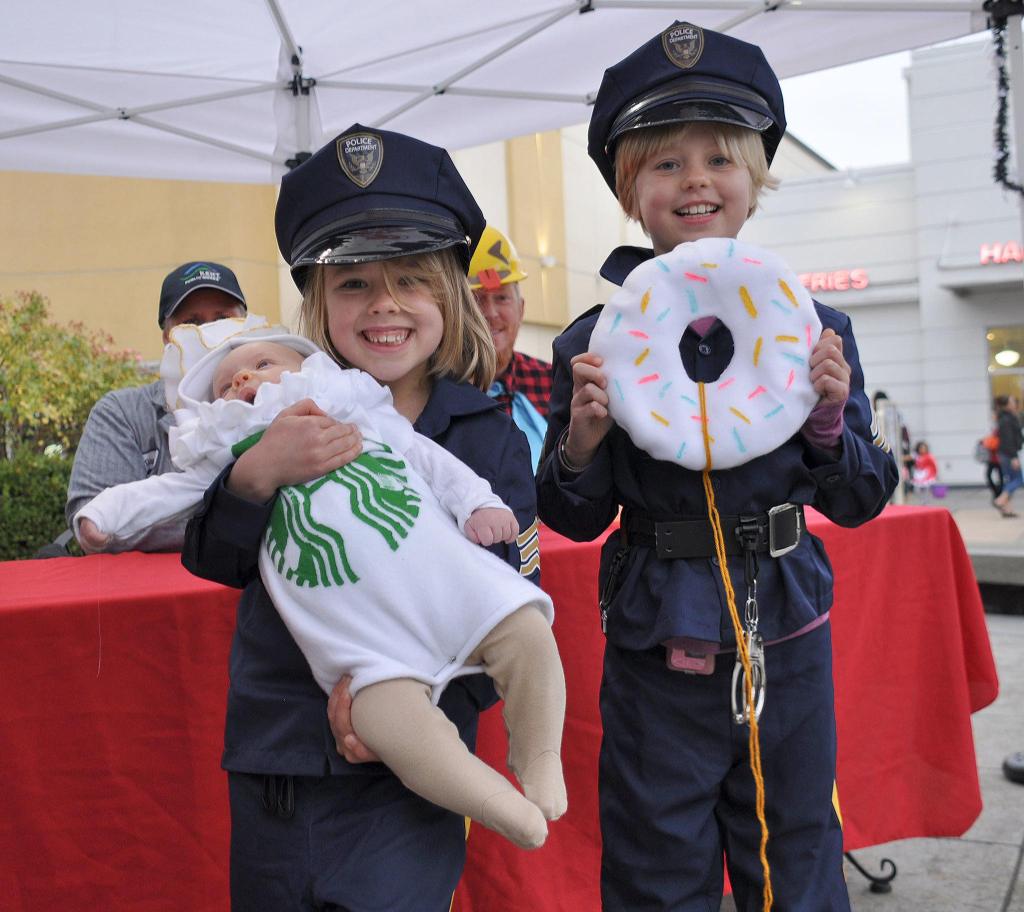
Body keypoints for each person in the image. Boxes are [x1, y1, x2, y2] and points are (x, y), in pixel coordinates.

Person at [535, 22, 898, 911]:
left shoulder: (813, 328)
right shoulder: (591, 340)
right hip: (661, 637)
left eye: (719, 159)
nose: (695, 180)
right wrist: (580, 443)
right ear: (630, 190)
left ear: (754, 181)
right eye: (665, 163)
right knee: (657, 861)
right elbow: (570, 516)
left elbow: (861, 496)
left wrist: (825, 422)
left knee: (798, 852)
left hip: (788, 627)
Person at [180, 125, 541, 911]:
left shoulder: (486, 433)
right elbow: (212, 555)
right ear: (316, 303)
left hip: (413, 777)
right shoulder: (275, 410)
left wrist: (417, 706)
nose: (384, 306)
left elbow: (510, 603)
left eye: (411, 279)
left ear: (448, 293)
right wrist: (256, 475)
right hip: (282, 756)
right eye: (351, 285)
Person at [75, 324, 566, 850]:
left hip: (447, 588)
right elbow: (160, 491)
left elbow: (430, 459)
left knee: (528, 632)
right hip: (363, 640)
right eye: (225, 384)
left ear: (309, 368)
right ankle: (493, 801)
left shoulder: (357, 414)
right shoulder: (230, 456)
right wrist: (102, 513)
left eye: (264, 363)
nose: (243, 376)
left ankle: (538, 757)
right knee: (388, 722)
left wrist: (478, 502)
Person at [65, 260, 247, 552]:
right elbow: (94, 522)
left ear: (246, 326)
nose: (210, 333)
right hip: (153, 594)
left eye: (223, 319)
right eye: (193, 322)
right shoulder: (122, 413)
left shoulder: (277, 398)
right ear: (168, 337)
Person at [468, 225, 552, 469]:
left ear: (521, 309)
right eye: (476, 299)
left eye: (502, 297)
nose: (490, 313)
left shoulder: (554, 382)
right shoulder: (437, 390)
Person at [993, 394, 1022, 518]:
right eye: (1012, 401)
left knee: (1009, 480)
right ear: (1007, 405)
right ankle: (1001, 499)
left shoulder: (1007, 417)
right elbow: (1008, 440)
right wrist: (1014, 457)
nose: (1014, 403)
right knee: (1019, 479)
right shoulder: (1006, 419)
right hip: (1008, 454)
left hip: (1005, 454)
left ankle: (1006, 509)